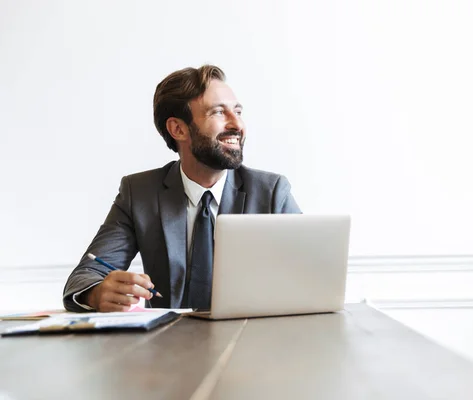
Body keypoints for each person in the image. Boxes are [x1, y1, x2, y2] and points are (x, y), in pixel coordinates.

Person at [63, 65, 301, 312]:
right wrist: (97, 293)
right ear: (178, 129)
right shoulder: (139, 194)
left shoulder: (272, 192)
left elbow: (310, 272)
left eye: (238, 111)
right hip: (168, 344)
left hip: (249, 340)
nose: (236, 124)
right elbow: (86, 275)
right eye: (219, 112)